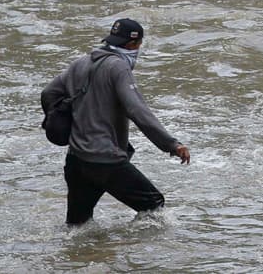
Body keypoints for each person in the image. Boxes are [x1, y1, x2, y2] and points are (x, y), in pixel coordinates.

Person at [41, 18, 191, 226]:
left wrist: (68, 122)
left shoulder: (80, 63)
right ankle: (136, 253)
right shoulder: (118, 67)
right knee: (154, 208)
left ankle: (83, 257)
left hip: (76, 160)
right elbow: (137, 110)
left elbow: (49, 93)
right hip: (105, 160)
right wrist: (171, 144)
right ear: (133, 45)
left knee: (78, 225)